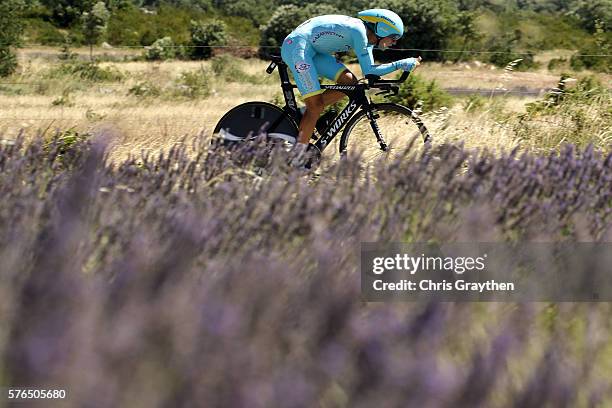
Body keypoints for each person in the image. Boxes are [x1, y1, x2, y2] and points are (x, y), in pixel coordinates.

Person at [280, 9, 421, 151]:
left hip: (313, 50)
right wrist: (401, 64)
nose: (394, 42)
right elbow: (370, 71)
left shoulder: (368, 40)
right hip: (297, 47)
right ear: (383, 30)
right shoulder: (359, 32)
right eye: (394, 37)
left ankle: (303, 113)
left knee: (351, 84)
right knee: (315, 107)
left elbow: (370, 73)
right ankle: (297, 158)